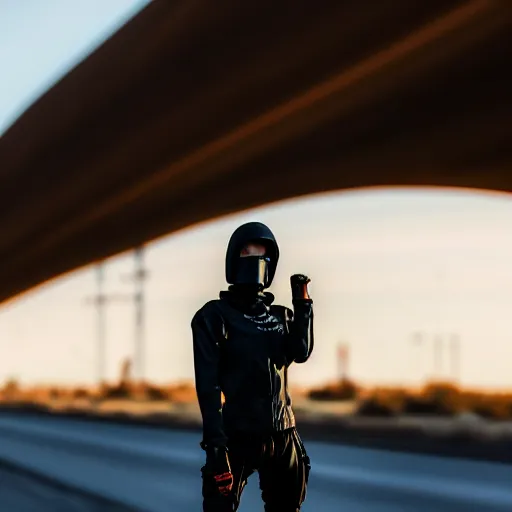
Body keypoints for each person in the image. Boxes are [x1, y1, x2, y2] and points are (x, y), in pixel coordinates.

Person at [191, 221, 314, 511]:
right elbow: (208, 387)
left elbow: (301, 351)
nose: (256, 260)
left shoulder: (281, 316)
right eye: (248, 252)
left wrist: (303, 304)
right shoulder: (213, 317)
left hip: (284, 433)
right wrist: (216, 448)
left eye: (263, 254)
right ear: (234, 258)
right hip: (237, 435)